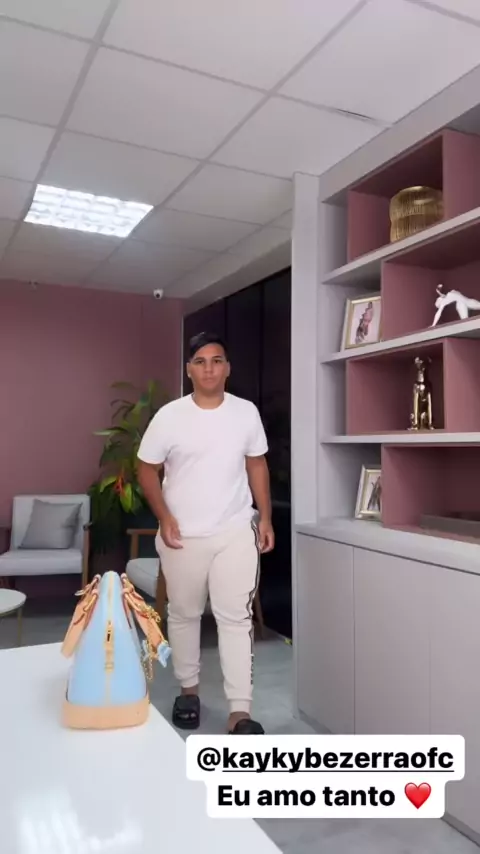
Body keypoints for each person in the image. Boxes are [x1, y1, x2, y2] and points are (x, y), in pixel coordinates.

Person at [136, 331, 274, 735]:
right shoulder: (170, 416)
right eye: (200, 361)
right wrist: (164, 516)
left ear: (227, 368)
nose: (209, 369)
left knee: (236, 618)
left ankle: (240, 712)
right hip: (183, 536)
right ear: (189, 370)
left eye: (216, 361)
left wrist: (265, 518)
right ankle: (189, 692)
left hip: (235, 530)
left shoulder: (245, 412)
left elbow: (257, 465)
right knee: (184, 614)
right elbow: (146, 469)